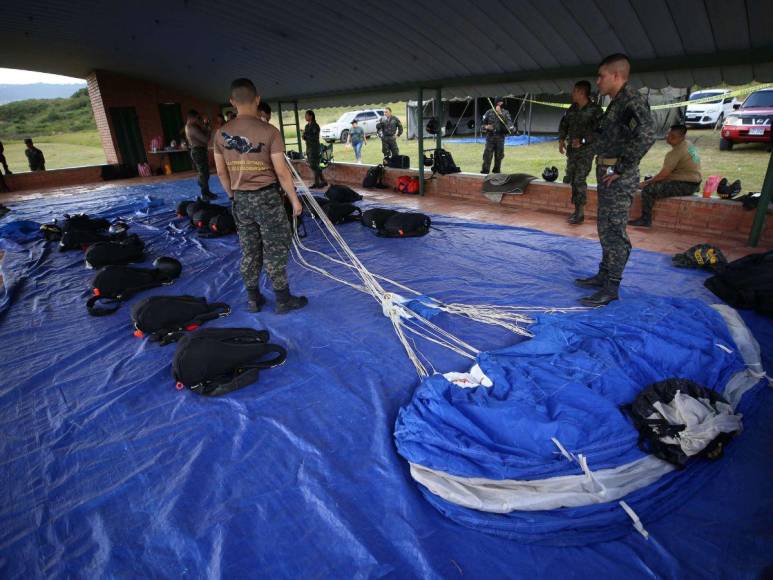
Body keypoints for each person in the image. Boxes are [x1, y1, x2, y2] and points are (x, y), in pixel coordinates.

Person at [214, 78, 307, 314]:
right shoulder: (269, 131)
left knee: (249, 249)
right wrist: (295, 200)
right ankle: (283, 299)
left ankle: (253, 299)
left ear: (232, 102)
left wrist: (233, 196)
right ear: (257, 99)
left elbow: (221, 172)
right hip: (267, 198)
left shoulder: (221, 134)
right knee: (275, 246)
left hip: (241, 200)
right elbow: (282, 172)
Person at [575, 53, 655, 306]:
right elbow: (606, 136)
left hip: (618, 177)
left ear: (617, 75)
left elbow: (646, 135)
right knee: (605, 228)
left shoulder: (632, 101)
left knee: (614, 231)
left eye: (601, 76)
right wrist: (585, 142)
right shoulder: (616, 103)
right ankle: (603, 274)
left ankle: (611, 287)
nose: (597, 81)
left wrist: (621, 167)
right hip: (608, 174)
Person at [628, 124, 702, 227]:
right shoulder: (688, 144)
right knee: (652, 179)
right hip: (695, 181)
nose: (669, 138)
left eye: (673, 137)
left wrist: (645, 184)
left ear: (682, 137)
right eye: (668, 134)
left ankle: (645, 220)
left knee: (648, 190)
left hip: (686, 184)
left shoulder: (675, 152)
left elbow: (663, 175)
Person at [558, 81, 604, 224]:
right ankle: (576, 209)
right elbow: (564, 123)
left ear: (581, 92)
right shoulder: (572, 108)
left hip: (586, 151)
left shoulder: (595, 110)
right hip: (572, 151)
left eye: (574, 91)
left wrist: (583, 141)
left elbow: (600, 132)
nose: (572, 94)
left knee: (579, 180)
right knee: (571, 178)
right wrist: (561, 139)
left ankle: (580, 213)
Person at [185, 109, 216, 200]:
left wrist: (206, 125)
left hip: (199, 150)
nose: (198, 119)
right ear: (192, 118)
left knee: (205, 173)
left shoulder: (193, 126)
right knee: (203, 173)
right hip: (198, 151)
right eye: (197, 118)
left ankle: (206, 191)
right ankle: (204, 193)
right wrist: (209, 129)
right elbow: (205, 139)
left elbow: (204, 134)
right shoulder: (192, 127)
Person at [480, 98, 514, 174]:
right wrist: (486, 127)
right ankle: (485, 172)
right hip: (490, 137)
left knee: (499, 156)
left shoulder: (506, 113)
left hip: (500, 138)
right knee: (487, 156)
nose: (500, 104)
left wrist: (500, 114)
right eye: (498, 102)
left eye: (501, 102)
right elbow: (482, 126)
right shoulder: (488, 112)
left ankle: (496, 172)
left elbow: (509, 124)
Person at [302, 110, 326, 188]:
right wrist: (304, 136)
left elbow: (314, 137)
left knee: (314, 165)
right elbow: (305, 136)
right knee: (313, 165)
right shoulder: (306, 126)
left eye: (306, 115)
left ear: (311, 116)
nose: (305, 117)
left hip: (314, 148)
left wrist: (306, 136)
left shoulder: (315, 126)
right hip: (308, 147)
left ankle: (318, 183)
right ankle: (323, 181)